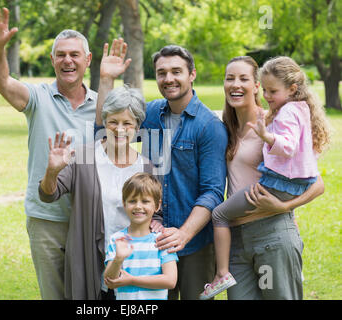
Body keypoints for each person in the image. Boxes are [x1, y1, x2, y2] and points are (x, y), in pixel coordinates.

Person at [97, 40, 228, 299]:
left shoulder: (209, 126)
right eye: (161, 73)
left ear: (192, 75)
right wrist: (106, 80)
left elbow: (213, 191)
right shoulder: (152, 113)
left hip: (194, 246)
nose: (169, 78)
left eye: (176, 71)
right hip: (149, 242)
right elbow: (107, 126)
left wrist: (184, 234)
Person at [0, 7, 97, 299]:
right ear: (52, 60)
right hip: (47, 218)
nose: (67, 60)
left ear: (88, 60)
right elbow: (1, 82)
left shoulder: (102, 104)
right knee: (55, 295)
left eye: (74, 54)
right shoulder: (37, 98)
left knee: (92, 297)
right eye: (61, 54)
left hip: (92, 217)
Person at [200, 56, 331, 299]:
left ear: (257, 85)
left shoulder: (273, 124)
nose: (235, 84)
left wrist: (284, 205)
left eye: (243, 79)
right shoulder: (224, 128)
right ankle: (223, 273)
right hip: (236, 239)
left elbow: (317, 183)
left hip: (271, 232)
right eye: (230, 78)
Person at [39, 86, 164, 300]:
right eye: (113, 121)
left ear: (137, 127)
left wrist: (157, 222)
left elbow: (155, 213)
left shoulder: (147, 167)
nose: (120, 129)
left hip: (133, 265)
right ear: (104, 122)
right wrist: (52, 171)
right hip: (89, 258)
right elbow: (48, 194)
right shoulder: (84, 156)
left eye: (127, 123)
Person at [104, 172, 178, 300]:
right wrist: (118, 259)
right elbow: (110, 281)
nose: (138, 206)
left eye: (145, 201)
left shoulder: (162, 240)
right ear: (124, 203)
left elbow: (170, 280)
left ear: (157, 205)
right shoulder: (117, 239)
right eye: (132, 201)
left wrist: (132, 280)